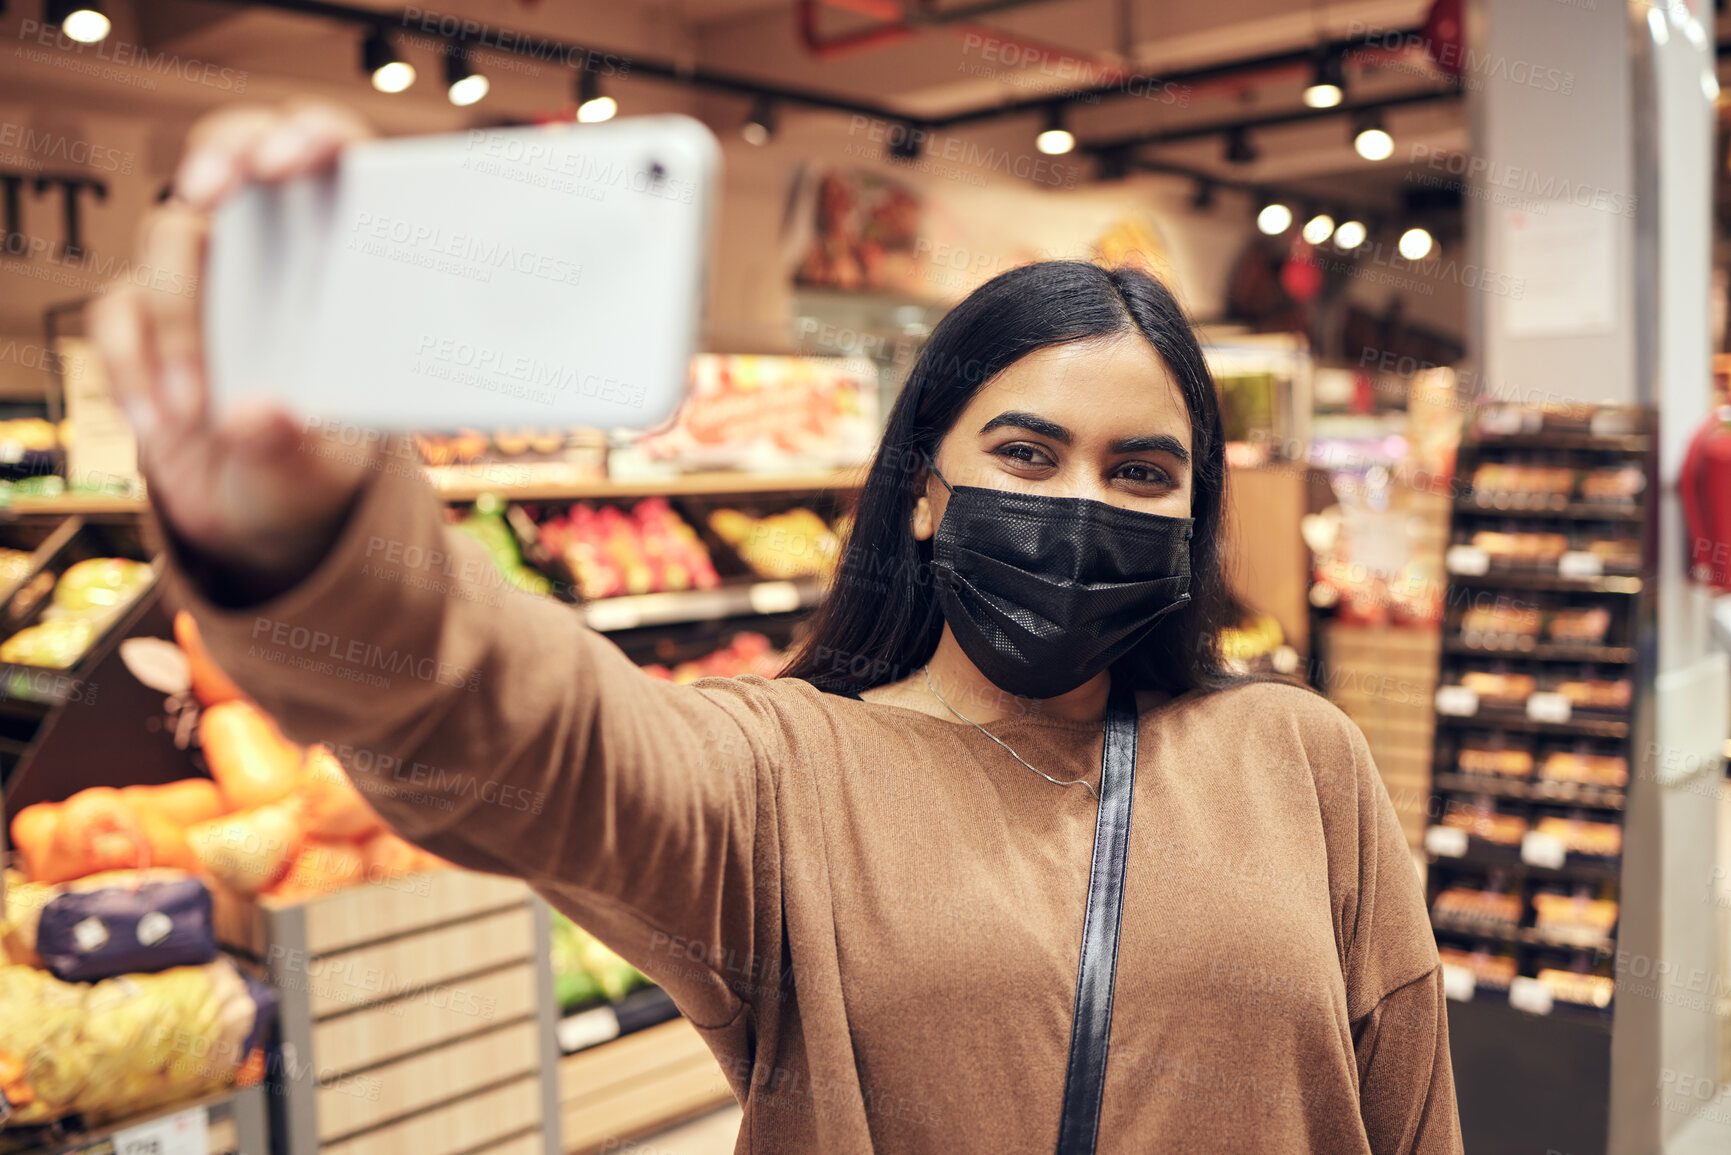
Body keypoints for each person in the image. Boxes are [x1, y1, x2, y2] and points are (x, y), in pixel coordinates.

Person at [93, 102, 1462, 1154]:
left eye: (1142, 473)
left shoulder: (1300, 762)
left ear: (1193, 512)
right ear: (925, 492)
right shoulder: (784, 781)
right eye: (1028, 456)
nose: (1081, 503)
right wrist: (319, 544)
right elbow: (522, 735)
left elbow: (1412, 1117)